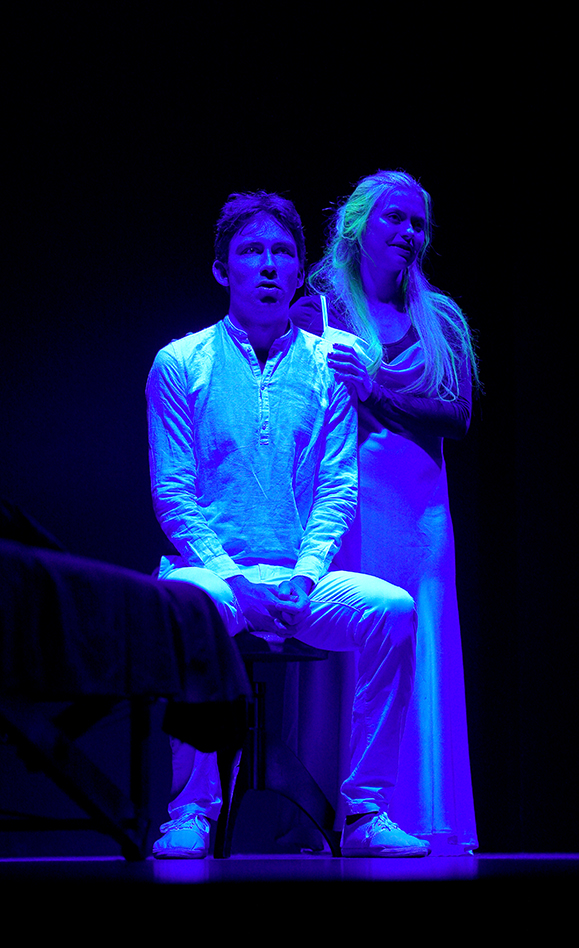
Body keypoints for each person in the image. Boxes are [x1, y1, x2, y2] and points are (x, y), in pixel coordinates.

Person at [146, 190, 430, 858]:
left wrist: (305, 577)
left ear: (301, 270)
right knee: (190, 604)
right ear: (223, 269)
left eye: (282, 252)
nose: (269, 265)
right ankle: (192, 809)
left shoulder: (330, 363)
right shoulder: (180, 362)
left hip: (302, 581)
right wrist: (234, 581)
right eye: (252, 251)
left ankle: (365, 811)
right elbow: (174, 497)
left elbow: (337, 490)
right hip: (213, 577)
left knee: (393, 610)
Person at [290, 170, 479, 854]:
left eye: (418, 223)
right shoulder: (319, 308)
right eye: (395, 218)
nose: (408, 232)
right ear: (357, 226)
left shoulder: (440, 317)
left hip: (420, 503)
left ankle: (418, 808)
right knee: (357, 639)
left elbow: (456, 416)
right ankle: (332, 813)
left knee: (419, 635)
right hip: (350, 495)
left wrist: (375, 391)